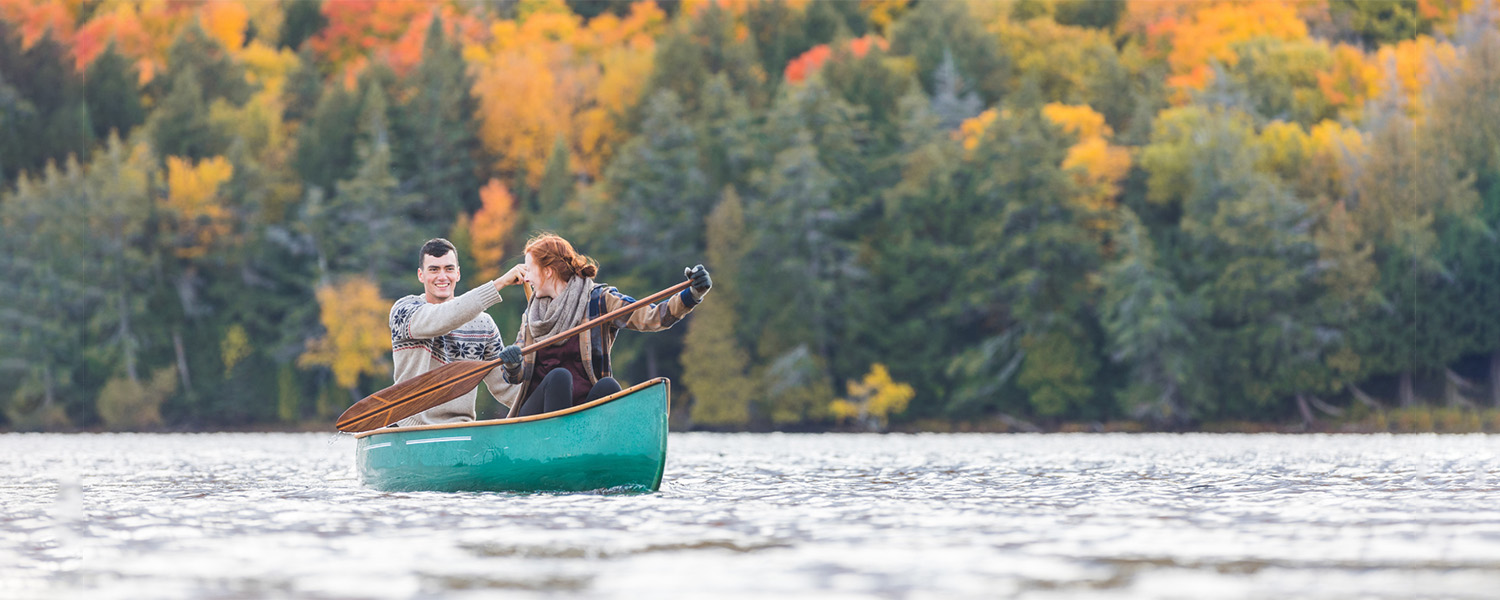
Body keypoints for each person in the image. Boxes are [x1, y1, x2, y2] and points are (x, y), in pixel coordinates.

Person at [498, 233, 712, 417]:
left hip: (582, 412)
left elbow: (653, 317)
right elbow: (516, 376)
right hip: (537, 419)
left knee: (608, 387)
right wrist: (512, 363)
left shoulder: (599, 300)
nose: (526, 278)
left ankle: (600, 451)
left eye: (529, 269)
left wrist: (692, 294)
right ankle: (558, 450)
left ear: (547, 271)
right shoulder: (532, 316)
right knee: (559, 377)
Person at [388, 238, 525, 426]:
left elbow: (507, 389)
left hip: (461, 429)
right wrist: (499, 284)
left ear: (458, 274)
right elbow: (443, 318)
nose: (442, 276)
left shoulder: (483, 324)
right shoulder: (404, 311)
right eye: (434, 269)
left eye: (449, 269)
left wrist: (513, 369)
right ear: (421, 275)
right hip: (410, 428)